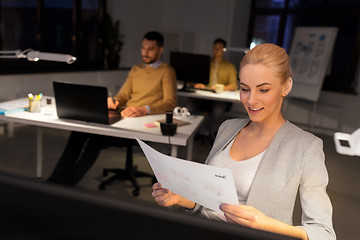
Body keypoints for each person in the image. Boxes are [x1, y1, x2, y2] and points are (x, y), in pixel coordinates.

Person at [152, 43, 336, 240]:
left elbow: (324, 233)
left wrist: (265, 224)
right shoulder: (228, 128)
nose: (251, 100)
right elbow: (209, 201)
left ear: (286, 86)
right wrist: (180, 197)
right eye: (244, 89)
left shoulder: (306, 147)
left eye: (263, 90)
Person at [48, 31, 177, 185]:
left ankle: (67, 183)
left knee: (94, 142)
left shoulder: (167, 71)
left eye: (151, 49)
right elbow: (123, 94)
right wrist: (114, 100)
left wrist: (145, 109)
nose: (145, 52)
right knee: (78, 132)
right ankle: (55, 179)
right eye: (143, 48)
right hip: (125, 116)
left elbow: (170, 102)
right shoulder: (136, 69)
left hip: (141, 125)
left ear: (160, 50)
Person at [188, 38, 238, 141]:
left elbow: (234, 85)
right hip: (203, 96)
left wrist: (221, 87)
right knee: (190, 107)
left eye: (219, 48)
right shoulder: (204, 63)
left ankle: (204, 131)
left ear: (223, 50)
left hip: (219, 98)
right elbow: (193, 80)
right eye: (215, 48)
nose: (216, 50)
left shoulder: (229, 66)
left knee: (217, 110)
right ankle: (202, 130)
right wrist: (197, 84)